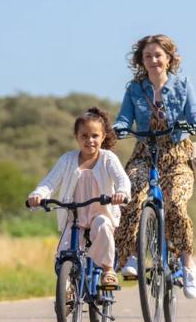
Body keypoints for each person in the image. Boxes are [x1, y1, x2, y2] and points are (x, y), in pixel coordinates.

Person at [112, 34, 196, 299]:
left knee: (176, 204)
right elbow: (124, 117)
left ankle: (187, 264)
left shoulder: (182, 84)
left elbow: (195, 113)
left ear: (168, 58)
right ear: (141, 61)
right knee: (130, 194)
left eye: (158, 55)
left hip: (177, 155)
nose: (153, 60)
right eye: (148, 56)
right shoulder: (135, 89)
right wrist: (120, 127)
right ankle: (132, 254)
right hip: (145, 152)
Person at [26, 108, 130, 287]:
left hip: (101, 213)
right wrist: (37, 195)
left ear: (103, 137)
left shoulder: (108, 159)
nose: (90, 140)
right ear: (76, 137)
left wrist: (121, 193)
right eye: (84, 136)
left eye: (95, 136)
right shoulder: (67, 160)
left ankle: (107, 270)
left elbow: (122, 179)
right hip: (74, 218)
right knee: (64, 254)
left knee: (104, 228)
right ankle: (66, 291)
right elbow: (50, 182)